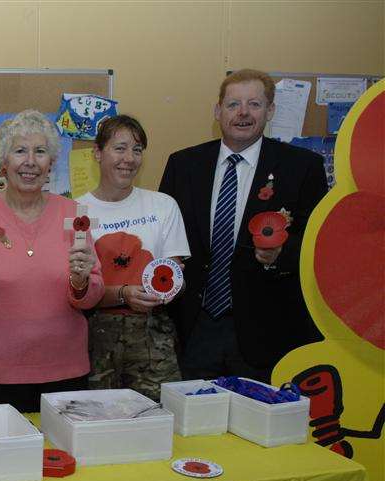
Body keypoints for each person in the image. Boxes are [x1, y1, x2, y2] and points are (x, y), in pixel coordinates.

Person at [159, 68, 327, 381]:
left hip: (266, 331)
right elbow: (164, 237)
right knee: (193, 426)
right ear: (217, 111)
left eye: (255, 104)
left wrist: (280, 255)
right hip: (195, 329)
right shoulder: (183, 165)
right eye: (234, 104)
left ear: (270, 111)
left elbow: (319, 242)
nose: (243, 113)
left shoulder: (301, 167)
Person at [0, 109, 104, 414]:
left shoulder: (75, 214)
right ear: (3, 163)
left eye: (40, 152)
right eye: (20, 151)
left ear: (51, 163)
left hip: (66, 374)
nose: (30, 161)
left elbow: (92, 295)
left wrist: (82, 282)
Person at [77, 115, 190, 401]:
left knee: (158, 422)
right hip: (94, 338)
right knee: (96, 424)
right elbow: (72, 287)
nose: (129, 158)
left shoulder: (163, 205)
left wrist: (170, 287)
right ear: (97, 153)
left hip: (154, 340)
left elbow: (176, 277)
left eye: (137, 150)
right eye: (120, 148)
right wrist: (123, 295)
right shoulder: (76, 210)